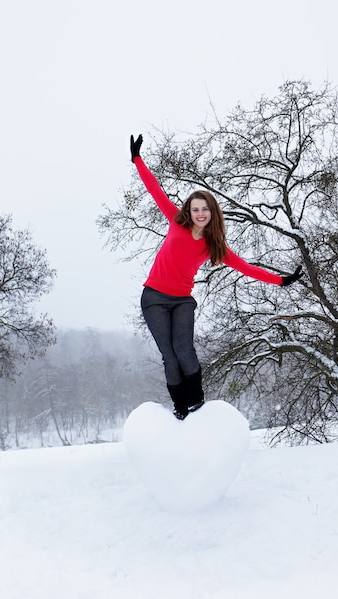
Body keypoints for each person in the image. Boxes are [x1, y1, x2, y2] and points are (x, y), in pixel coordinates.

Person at [130, 134, 303, 420]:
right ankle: (180, 406)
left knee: (184, 348)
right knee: (169, 356)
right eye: (195, 209)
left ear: (212, 213)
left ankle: (196, 401)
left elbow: (247, 268)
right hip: (154, 298)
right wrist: (137, 160)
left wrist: (282, 281)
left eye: (205, 209)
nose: (199, 213)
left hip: (183, 300)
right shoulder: (176, 220)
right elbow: (155, 190)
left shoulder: (215, 247)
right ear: (189, 210)